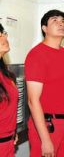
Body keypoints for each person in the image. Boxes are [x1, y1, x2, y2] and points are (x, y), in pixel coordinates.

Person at [25, 9, 64, 157]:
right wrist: (45, 139)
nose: (61, 23)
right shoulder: (36, 55)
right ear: (44, 29)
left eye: (63, 21)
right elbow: (32, 100)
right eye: (55, 20)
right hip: (46, 125)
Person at [0, 24, 18, 156]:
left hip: (8, 143)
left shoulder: (6, 73)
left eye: (4, 33)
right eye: (0, 34)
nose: (5, 36)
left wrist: (13, 131)